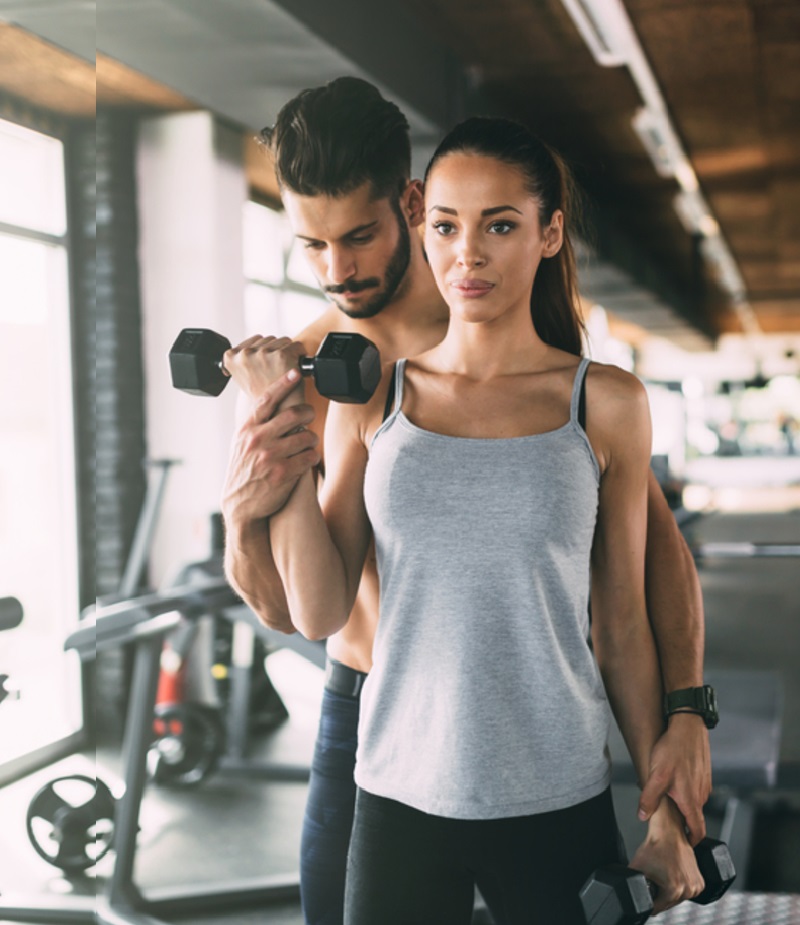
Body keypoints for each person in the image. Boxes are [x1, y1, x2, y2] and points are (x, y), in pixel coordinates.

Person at [221, 78, 711, 925]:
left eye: (360, 236)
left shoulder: (571, 379)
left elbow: (639, 579)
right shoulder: (317, 370)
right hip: (374, 708)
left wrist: (686, 713)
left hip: (539, 740)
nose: (338, 270)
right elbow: (295, 607)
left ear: (408, 206)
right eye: (311, 246)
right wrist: (244, 510)